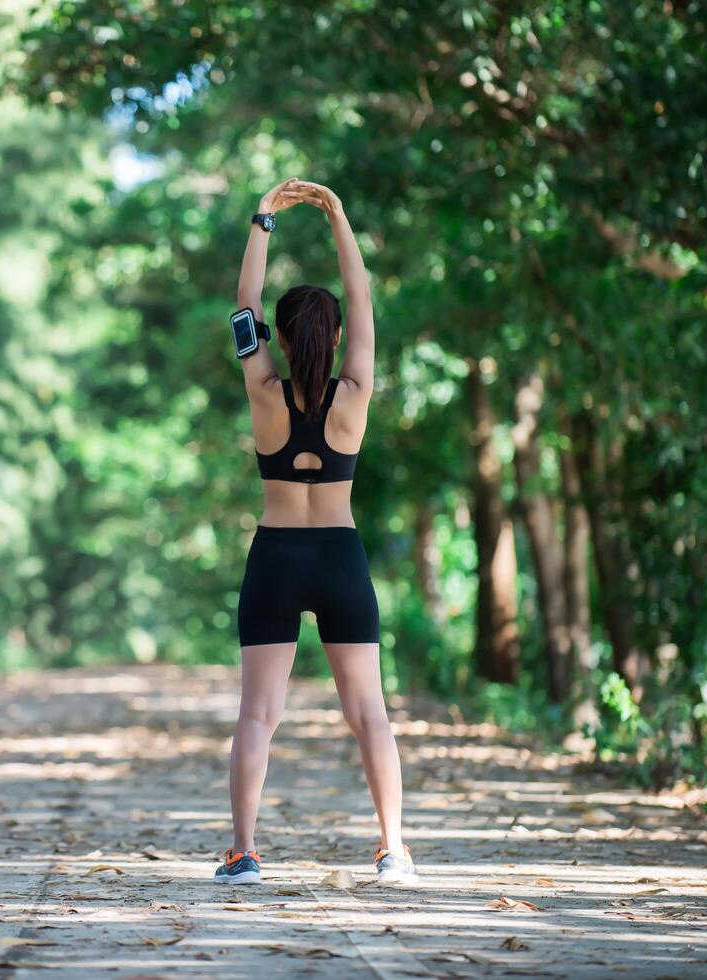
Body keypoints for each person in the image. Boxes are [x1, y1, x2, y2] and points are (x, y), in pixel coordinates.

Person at [214, 178, 417, 887]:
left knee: (257, 716)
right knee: (369, 715)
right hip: (338, 556)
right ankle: (392, 850)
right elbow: (360, 302)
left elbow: (242, 307)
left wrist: (263, 218)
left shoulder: (261, 391)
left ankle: (242, 854)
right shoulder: (353, 395)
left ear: (280, 330)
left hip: (275, 556)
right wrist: (338, 214)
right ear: (330, 337)